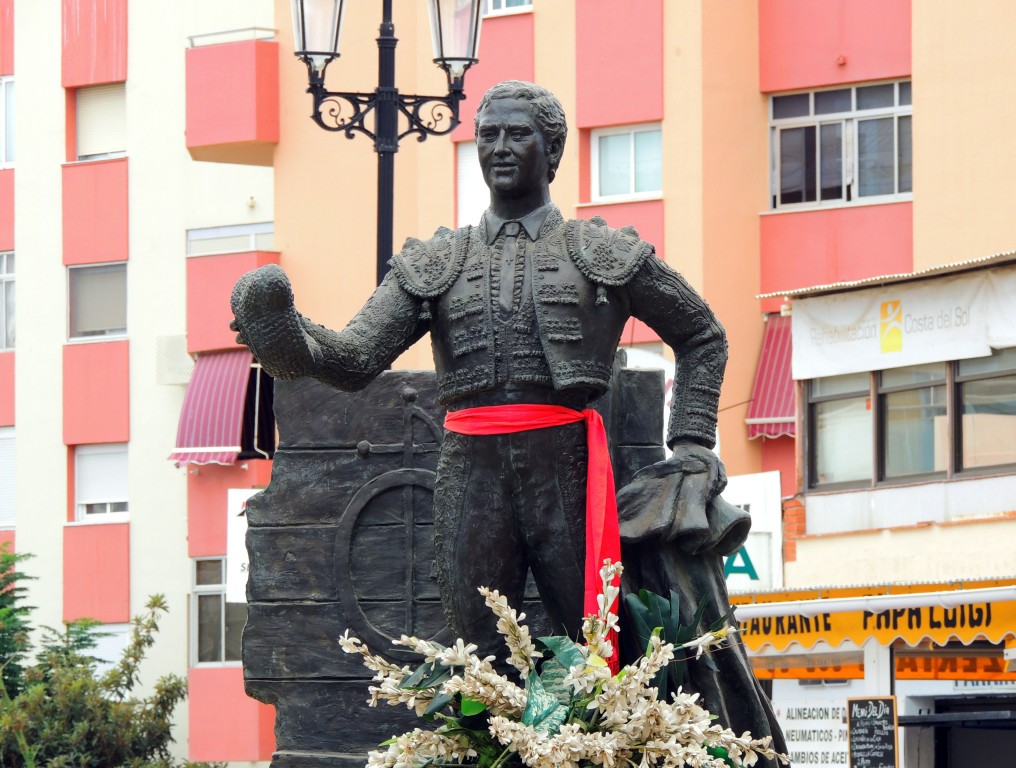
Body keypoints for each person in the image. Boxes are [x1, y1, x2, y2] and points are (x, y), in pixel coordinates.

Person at [231, 80, 783, 758]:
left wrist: (692, 438)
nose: (497, 146)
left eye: (516, 133)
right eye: (487, 134)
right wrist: (291, 338)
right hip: (472, 467)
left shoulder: (599, 253)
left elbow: (702, 333)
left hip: (568, 465)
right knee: (474, 653)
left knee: (590, 647)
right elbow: (354, 358)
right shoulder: (440, 261)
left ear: (551, 150)